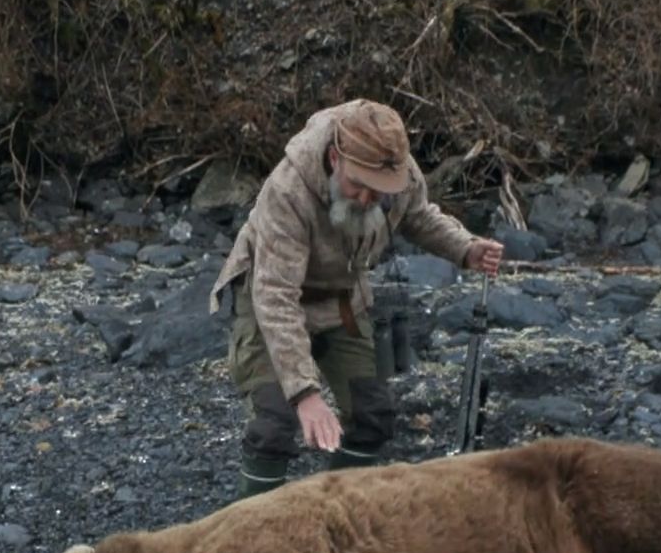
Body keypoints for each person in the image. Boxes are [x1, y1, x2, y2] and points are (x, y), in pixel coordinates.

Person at [208, 98, 505, 498]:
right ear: (335, 158)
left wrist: (465, 248)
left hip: (342, 303)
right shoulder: (288, 191)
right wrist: (305, 393)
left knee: (372, 417)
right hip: (266, 303)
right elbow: (276, 296)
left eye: (378, 191)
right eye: (358, 186)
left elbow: (418, 215)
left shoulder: (398, 172)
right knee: (274, 423)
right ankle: (250, 532)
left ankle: (329, 514)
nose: (367, 199)